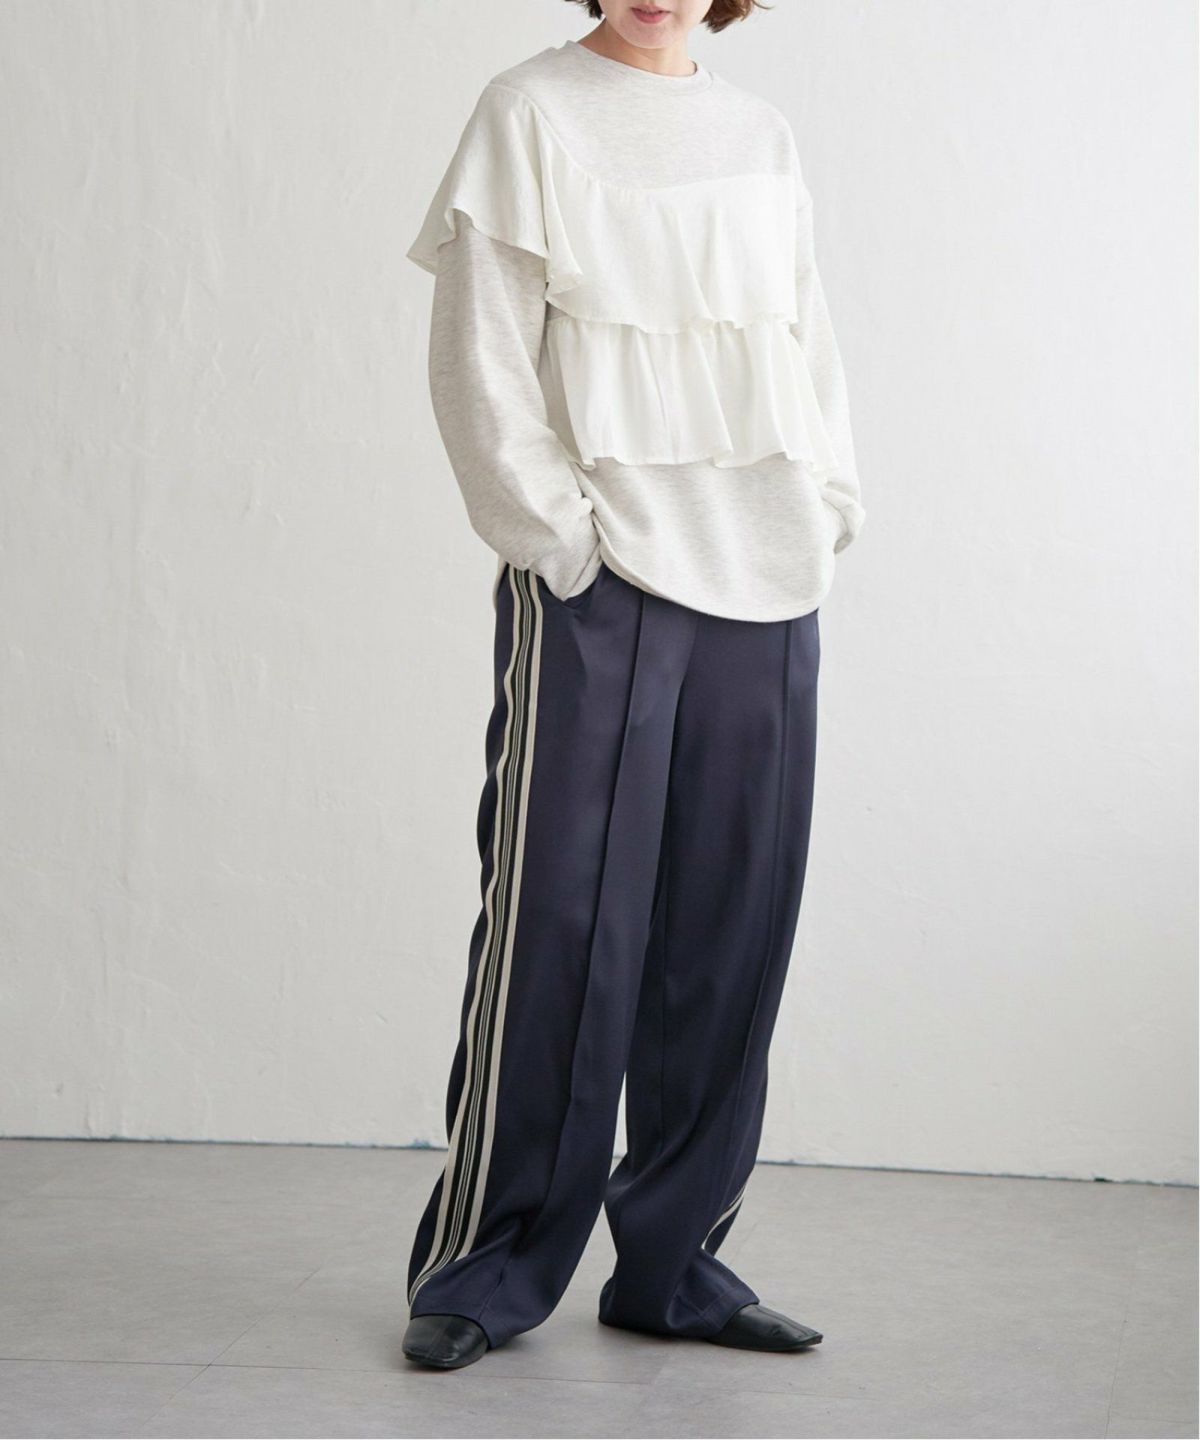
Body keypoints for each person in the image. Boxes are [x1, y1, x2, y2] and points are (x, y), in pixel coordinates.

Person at [400, 0, 865, 1371]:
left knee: (731, 934)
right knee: (559, 927)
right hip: (603, 583)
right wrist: (560, 545)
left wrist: (829, 505)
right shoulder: (529, 113)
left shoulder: (759, 133)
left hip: (766, 580)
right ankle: (487, 1266)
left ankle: (676, 1265)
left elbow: (805, 343)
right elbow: (480, 357)